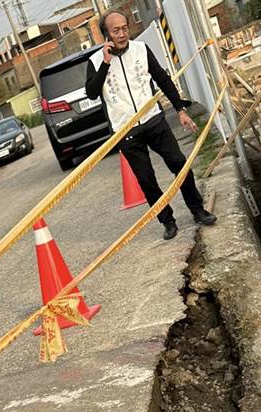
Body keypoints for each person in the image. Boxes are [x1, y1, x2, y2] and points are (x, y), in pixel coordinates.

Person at [85, 11, 217, 240]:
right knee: (146, 179)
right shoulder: (95, 62)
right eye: (116, 30)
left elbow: (162, 79)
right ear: (106, 34)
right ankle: (167, 221)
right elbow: (92, 93)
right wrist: (105, 64)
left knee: (179, 163)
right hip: (126, 131)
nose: (122, 33)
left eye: (125, 28)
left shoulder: (141, 49)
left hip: (153, 120)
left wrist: (180, 110)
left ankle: (197, 209)